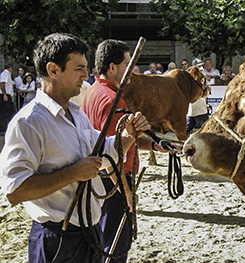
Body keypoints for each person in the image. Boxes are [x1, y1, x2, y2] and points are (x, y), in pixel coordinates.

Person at [0, 33, 151, 263]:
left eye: (86, 67)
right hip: (57, 237)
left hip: (89, 231)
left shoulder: (76, 114)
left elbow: (102, 151)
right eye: (78, 68)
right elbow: (15, 190)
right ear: (53, 70)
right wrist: (72, 173)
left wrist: (128, 135)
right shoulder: (28, 122)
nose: (86, 75)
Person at [83, 39, 170, 263]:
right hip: (113, 184)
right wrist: (126, 193)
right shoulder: (110, 99)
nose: (133, 69)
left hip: (101, 180)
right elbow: (112, 157)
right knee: (115, 249)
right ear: (112, 67)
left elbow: (116, 141)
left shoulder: (94, 92)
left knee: (105, 243)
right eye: (127, 64)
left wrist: (154, 145)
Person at [186, 58, 209, 137]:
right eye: (199, 66)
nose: (202, 68)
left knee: (204, 130)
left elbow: (205, 94)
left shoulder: (203, 78)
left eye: (202, 66)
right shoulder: (190, 79)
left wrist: (207, 104)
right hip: (194, 108)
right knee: (205, 129)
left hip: (200, 107)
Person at [0, 63, 17, 135]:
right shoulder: (5, 74)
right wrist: (4, 94)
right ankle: (3, 129)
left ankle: (11, 128)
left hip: (8, 95)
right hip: (5, 95)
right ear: (10, 68)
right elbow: (2, 83)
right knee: (5, 113)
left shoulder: (7, 75)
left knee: (12, 112)